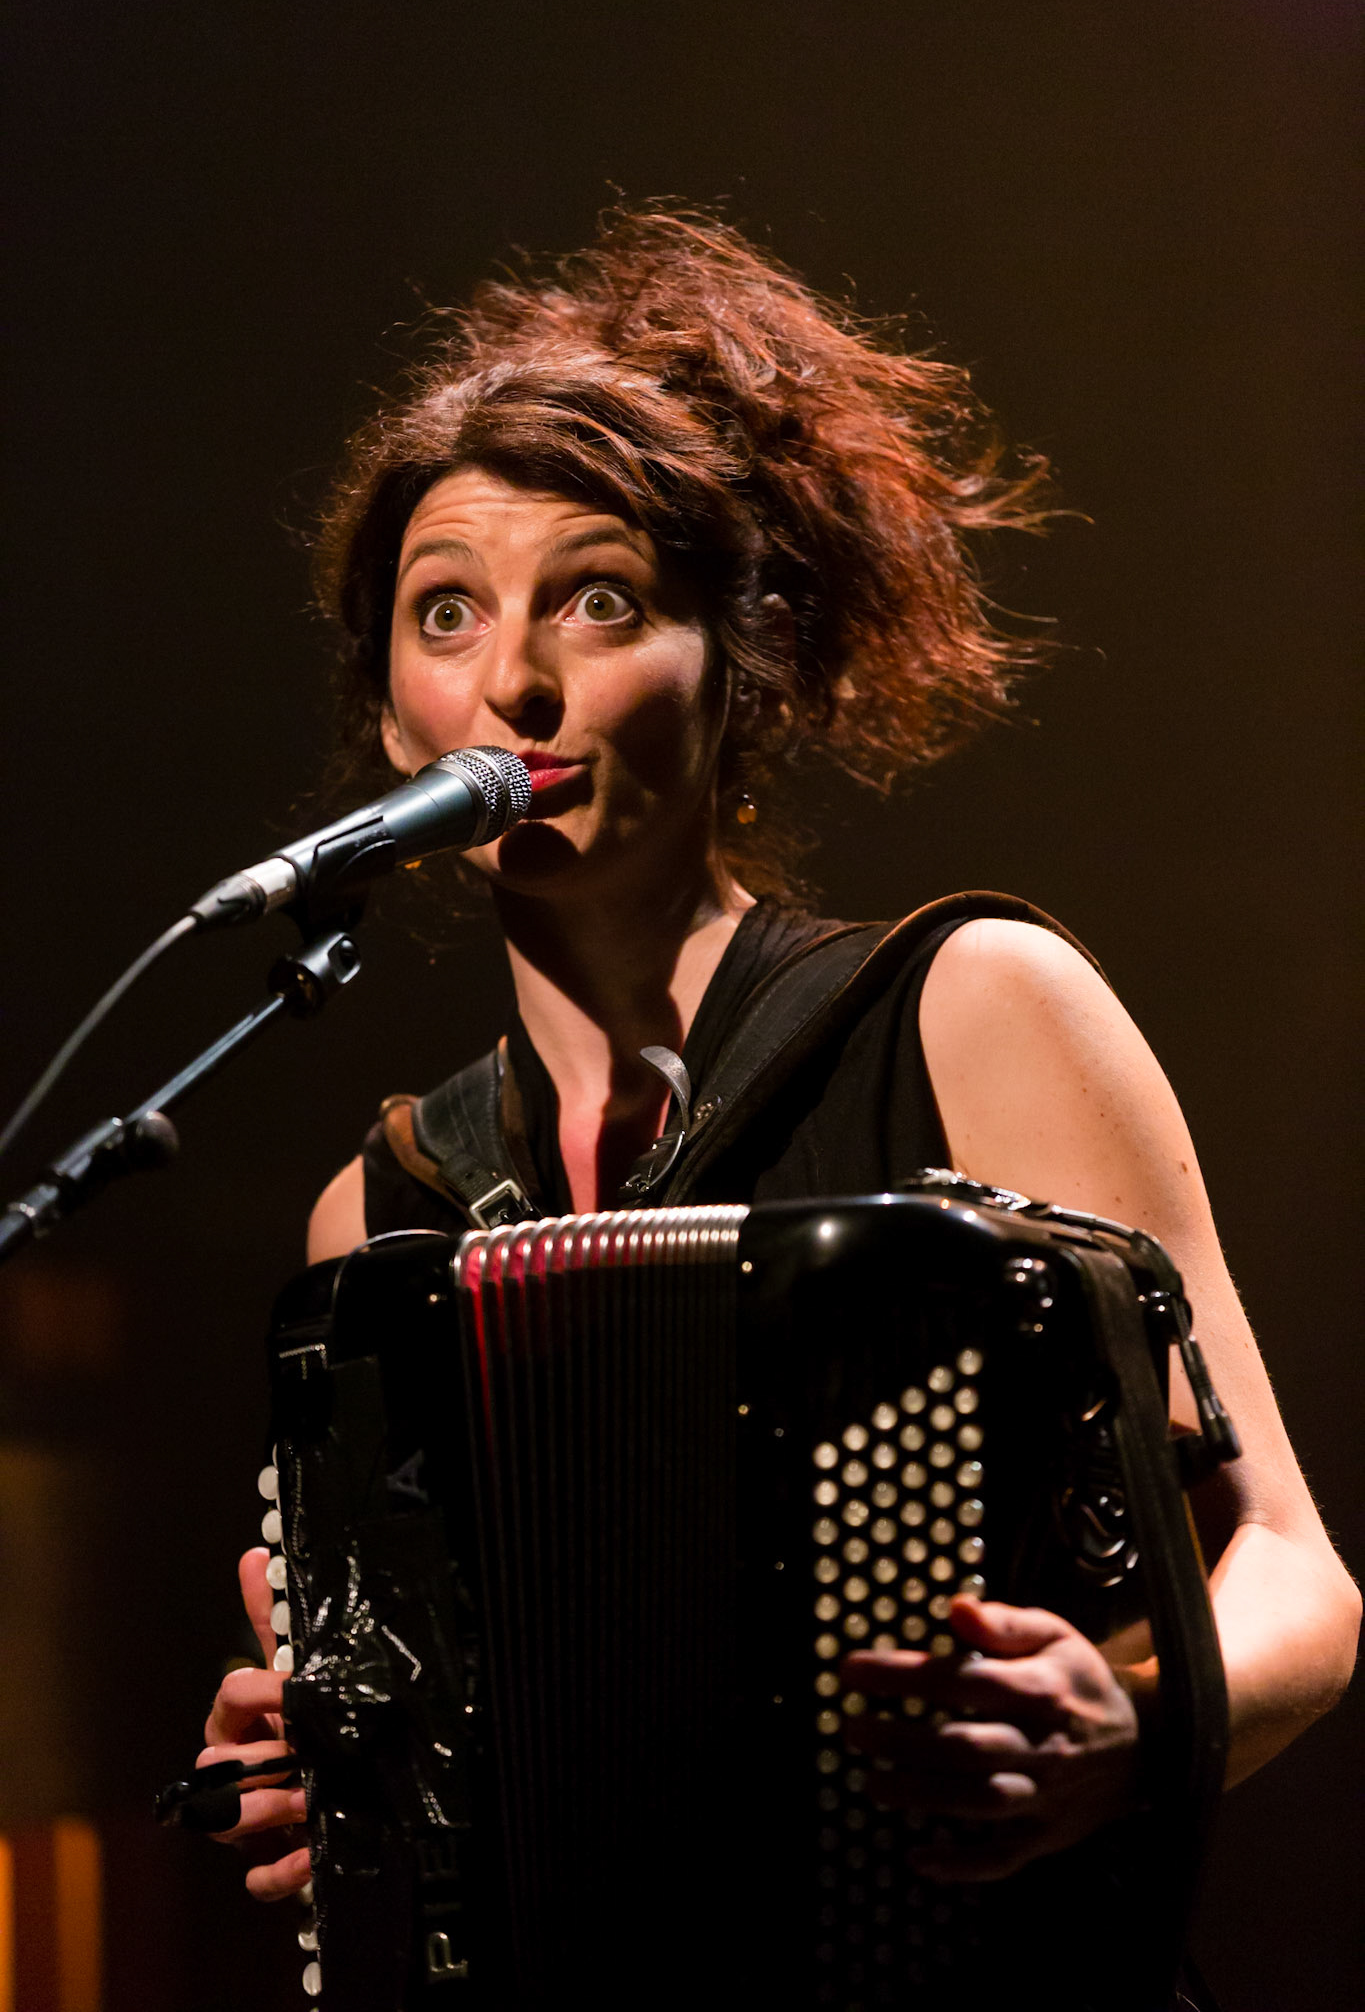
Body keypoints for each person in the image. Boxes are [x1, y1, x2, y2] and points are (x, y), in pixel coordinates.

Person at [198, 209, 1358, 1946]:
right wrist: (322, 1773)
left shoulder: (969, 1009)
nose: (511, 679)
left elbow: (1290, 1571)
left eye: (598, 602)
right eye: (445, 614)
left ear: (736, 669)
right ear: (389, 713)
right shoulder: (384, 1207)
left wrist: (1128, 1722)